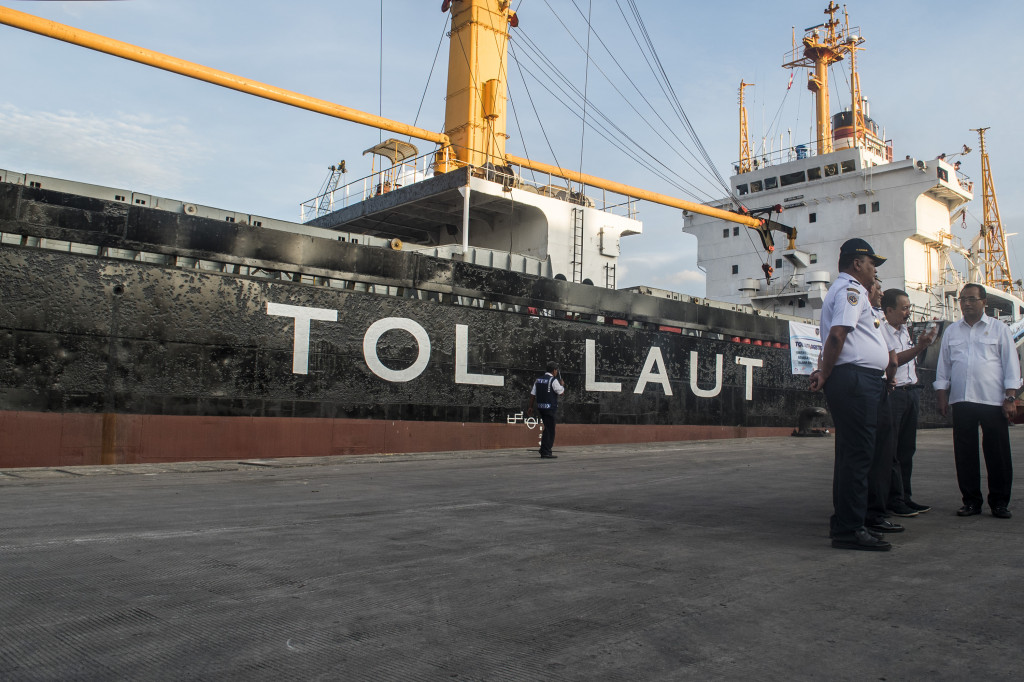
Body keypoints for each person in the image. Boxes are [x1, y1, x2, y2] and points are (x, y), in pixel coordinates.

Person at [810, 238, 897, 551]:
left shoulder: (855, 292)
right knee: (857, 457)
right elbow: (837, 335)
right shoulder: (851, 290)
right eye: (872, 263)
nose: (874, 270)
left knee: (854, 456)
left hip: (860, 380)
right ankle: (850, 529)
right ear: (857, 262)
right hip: (855, 381)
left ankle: (850, 521)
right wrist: (827, 372)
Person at [934, 284, 1021, 518]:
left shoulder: (999, 329)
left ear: (984, 302)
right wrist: (942, 395)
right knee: (965, 453)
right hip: (962, 400)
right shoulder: (952, 332)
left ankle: (1000, 503)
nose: (966, 303)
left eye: (972, 299)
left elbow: (1011, 364)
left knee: (998, 454)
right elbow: (944, 366)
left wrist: (1010, 397)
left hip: (993, 401)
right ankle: (971, 501)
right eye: (963, 299)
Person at [880, 289, 937, 516]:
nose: (908, 313)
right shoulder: (882, 332)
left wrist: (919, 346)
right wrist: (920, 347)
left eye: (909, 308)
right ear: (889, 310)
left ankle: (905, 496)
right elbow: (894, 360)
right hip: (895, 394)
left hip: (911, 392)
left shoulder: (904, 331)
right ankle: (894, 499)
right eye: (904, 308)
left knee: (907, 449)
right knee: (891, 450)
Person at [527, 361, 565, 459]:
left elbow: (532, 395)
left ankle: (543, 448)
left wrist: (530, 407)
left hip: (541, 407)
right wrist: (562, 385)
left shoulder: (538, 380)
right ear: (554, 370)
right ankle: (546, 451)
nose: (556, 372)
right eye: (556, 370)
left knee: (547, 428)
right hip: (550, 408)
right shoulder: (553, 380)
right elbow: (561, 392)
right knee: (550, 430)